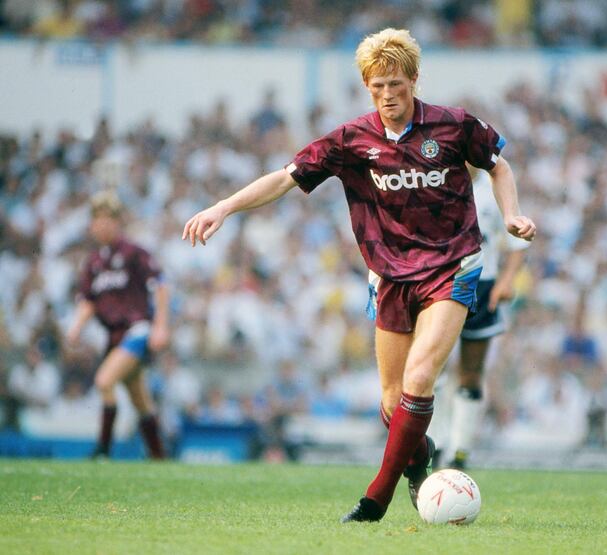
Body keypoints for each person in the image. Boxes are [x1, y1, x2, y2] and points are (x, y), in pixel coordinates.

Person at [182, 28, 536, 522]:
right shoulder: (351, 140)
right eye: (377, 86)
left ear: (413, 79)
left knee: (419, 378)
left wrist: (514, 214)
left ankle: (376, 498)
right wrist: (225, 207)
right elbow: (286, 177)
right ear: (366, 86)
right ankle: (419, 461)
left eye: (396, 83)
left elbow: (499, 166)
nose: (388, 95)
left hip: (452, 266)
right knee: (394, 405)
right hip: (389, 276)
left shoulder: (454, 125)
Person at [430, 166, 529, 469]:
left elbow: (516, 242)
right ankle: (435, 443)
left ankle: (461, 449)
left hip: (483, 284)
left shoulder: (496, 185)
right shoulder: (437, 182)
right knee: (433, 368)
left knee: (471, 371)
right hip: (443, 283)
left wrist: (506, 280)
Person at [67, 191, 169, 459]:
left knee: (104, 380)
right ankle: (159, 455)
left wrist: (160, 325)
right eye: (97, 219)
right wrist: (76, 327)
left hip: (137, 330)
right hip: (114, 336)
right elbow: (89, 300)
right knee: (139, 397)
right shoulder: (93, 263)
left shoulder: (134, 253)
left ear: (117, 222)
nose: (102, 225)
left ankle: (102, 449)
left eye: (107, 219)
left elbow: (159, 286)